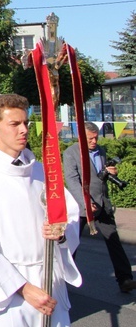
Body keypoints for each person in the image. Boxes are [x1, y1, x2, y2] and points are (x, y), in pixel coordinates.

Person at [0, 94, 82, 327]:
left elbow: (69, 216)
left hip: (50, 281)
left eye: (26, 123)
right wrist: (23, 288)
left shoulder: (41, 171)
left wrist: (62, 233)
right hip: (9, 292)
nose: (24, 130)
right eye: (15, 124)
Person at [63, 121, 136, 293]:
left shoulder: (100, 151)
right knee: (72, 244)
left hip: (102, 204)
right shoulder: (71, 153)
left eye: (96, 138)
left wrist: (110, 172)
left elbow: (99, 175)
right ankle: (62, 282)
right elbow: (72, 180)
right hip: (82, 207)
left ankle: (125, 279)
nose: (94, 142)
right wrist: (85, 201)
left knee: (114, 241)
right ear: (81, 137)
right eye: (90, 139)